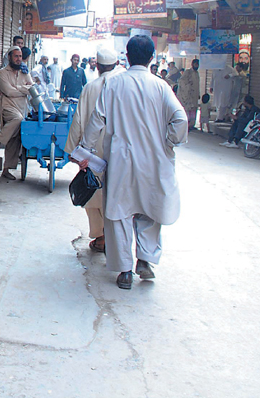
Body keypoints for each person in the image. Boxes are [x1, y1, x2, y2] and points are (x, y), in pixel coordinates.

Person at [79, 35, 188, 290]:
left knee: (118, 213)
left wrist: (84, 149)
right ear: (152, 58)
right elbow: (180, 119)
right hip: (154, 161)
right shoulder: (161, 86)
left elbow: (97, 119)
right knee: (149, 212)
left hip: (121, 161)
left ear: (126, 57)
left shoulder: (114, 84)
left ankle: (125, 271)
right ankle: (145, 261)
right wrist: (169, 141)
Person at [65, 46, 124, 254]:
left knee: (93, 192)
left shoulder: (90, 87)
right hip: (121, 150)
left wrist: (73, 151)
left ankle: (100, 238)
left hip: (93, 152)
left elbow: (79, 119)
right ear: (116, 65)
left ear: (97, 66)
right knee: (118, 192)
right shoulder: (124, 85)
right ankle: (115, 238)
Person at [0, 46, 34, 179]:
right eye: (16, 56)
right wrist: (23, 89)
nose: (18, 59)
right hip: (8, 106)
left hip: (22, 107)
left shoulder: (24, 71)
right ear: (10, 57)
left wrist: (18, 88)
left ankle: (6, 169)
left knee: (15, 138)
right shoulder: (2, 73)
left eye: (20, 56)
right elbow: (8, 91)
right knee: (17, 119)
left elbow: (32, 88)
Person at [176, 59, 200, 129]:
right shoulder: (188, 72)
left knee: (194, 110)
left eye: (198, 64)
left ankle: (192, 124)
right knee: (188, 109)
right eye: (196, 64)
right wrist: (188, 86)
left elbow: (197, 84)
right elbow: (182, 81)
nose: (197, 66)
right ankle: (187, 124)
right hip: (188, 95)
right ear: (192, 64)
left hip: (194, 95)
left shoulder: (197, 73)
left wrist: (198, 93)